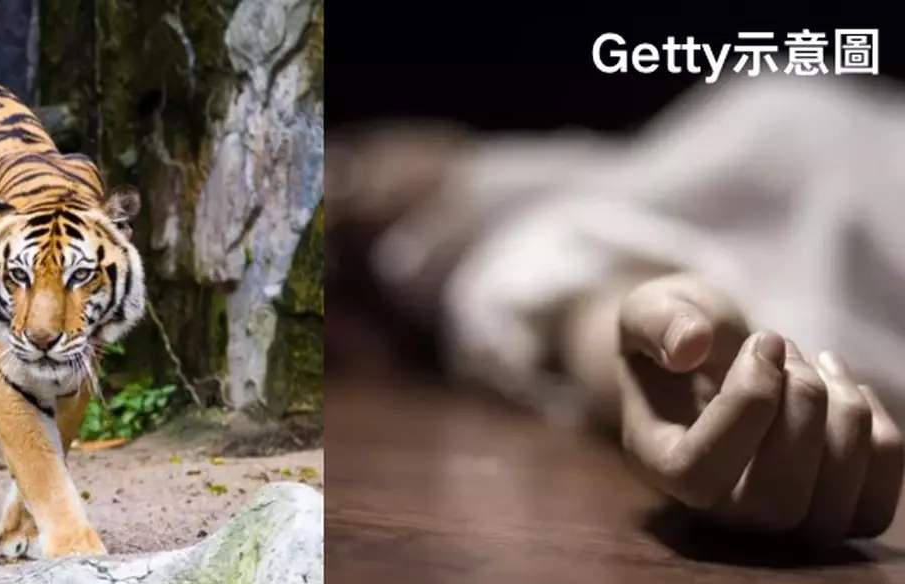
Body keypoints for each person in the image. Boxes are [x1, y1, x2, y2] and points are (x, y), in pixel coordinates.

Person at [327, 73, 905, 546]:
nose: (340, 179)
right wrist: (649, 359)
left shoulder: (606, 167)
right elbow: (589, 293)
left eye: (346, 153)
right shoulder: (495, 254)